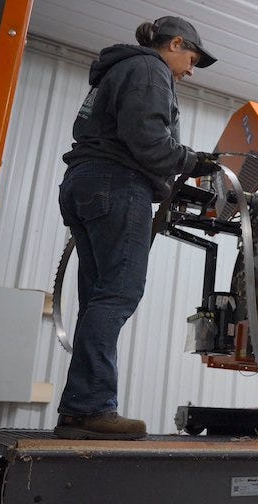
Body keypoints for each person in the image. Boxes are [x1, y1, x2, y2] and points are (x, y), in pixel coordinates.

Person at [54, 16, 220, 440]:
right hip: (116, 184)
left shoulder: (119, 70)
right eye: (191, 59)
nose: (189, 70)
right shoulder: (150, 69)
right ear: (176, 43)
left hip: (84, 184)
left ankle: (78, 413)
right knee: (118, 293)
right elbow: (145, 137)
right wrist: (190, 161)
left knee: (97, 297)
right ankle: (90, 407)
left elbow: (131, 136)